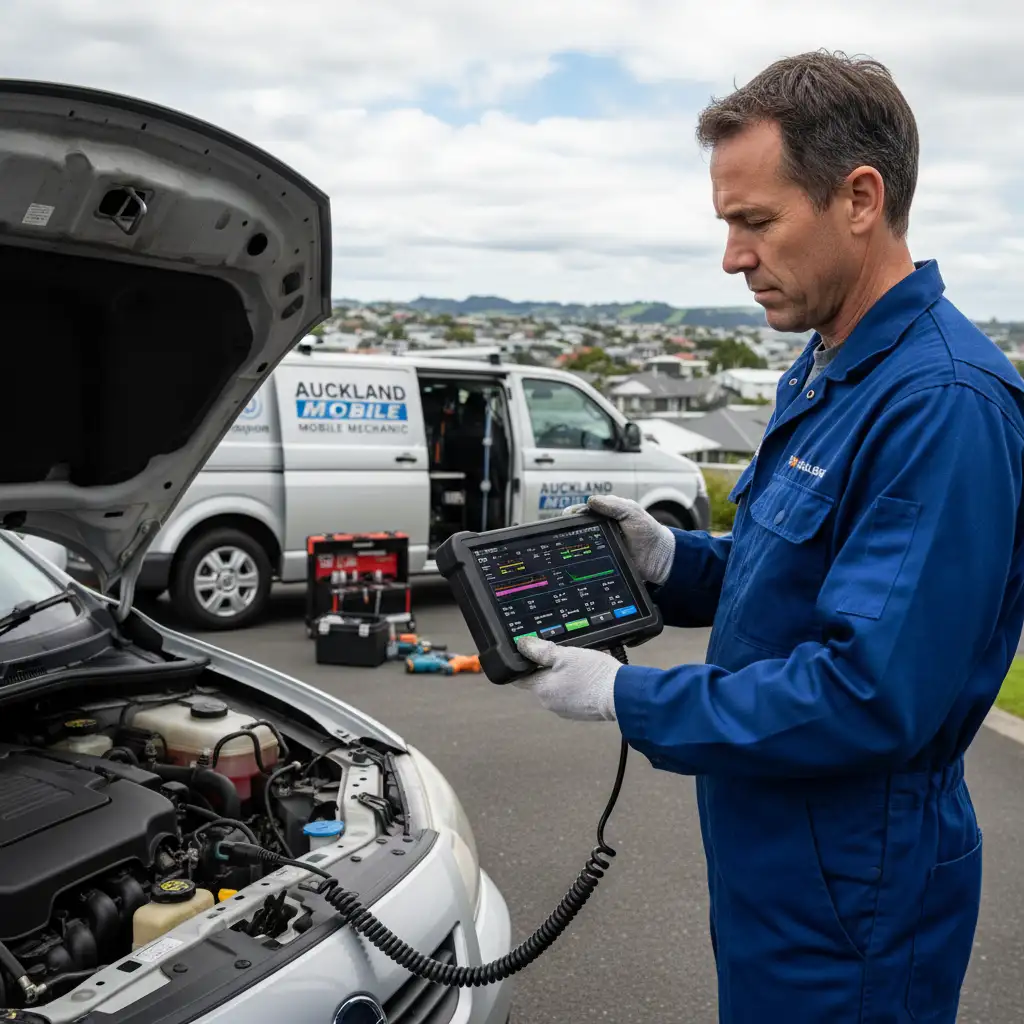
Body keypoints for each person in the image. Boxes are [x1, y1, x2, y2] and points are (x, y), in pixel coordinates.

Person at [514, 50, 1024, 1024]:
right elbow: (797, 575)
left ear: (859, 199)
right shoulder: (828, 364)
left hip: (856, 893)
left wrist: (627, 695)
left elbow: (869, 692)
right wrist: (674, 562)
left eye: (754, 221)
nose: (732, 257)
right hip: (777, 857)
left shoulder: (940, 405)